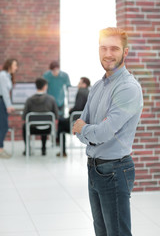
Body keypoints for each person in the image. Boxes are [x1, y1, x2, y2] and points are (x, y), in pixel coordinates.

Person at [72, 27, 143, 236]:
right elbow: (79, 126)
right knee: (101, 231)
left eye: (114, 48)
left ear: (125, 52)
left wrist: (88, 130)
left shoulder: (127, 88)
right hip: (94, 169)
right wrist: (89, 130)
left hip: (115, 170)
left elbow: (102, 133)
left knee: (117, 233)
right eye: (103, 48)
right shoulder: (97, 86)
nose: (108, 54)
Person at [22, 78, 58, 156]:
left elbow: (24, 116)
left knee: (25, 126)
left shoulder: (29, 100)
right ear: (45, 87)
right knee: (45, 123)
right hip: (48, 128)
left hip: (32, 129)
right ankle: (43, 149)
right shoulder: (51, 99)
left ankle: (27, 148)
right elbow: (56, 115)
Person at [57, 77, 90, 157]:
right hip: (86, 123)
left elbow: (78, 108)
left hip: (76, 123)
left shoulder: (80, 92)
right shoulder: (89, 92)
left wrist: (70, 111)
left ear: (84, 84)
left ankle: (62, 150)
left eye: (79, 83)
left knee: (61, 123)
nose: (78, 85)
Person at [0, 58, 18, 158]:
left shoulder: (7, 76)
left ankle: (1, 148)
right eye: (15, 65)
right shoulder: (2, 75)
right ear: (9, 65)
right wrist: (8, 105)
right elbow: (4, 92)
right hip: (1, 102)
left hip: (3, 102)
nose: (16, 68)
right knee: (3, 126)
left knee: (3, 126)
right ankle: (0, 149)